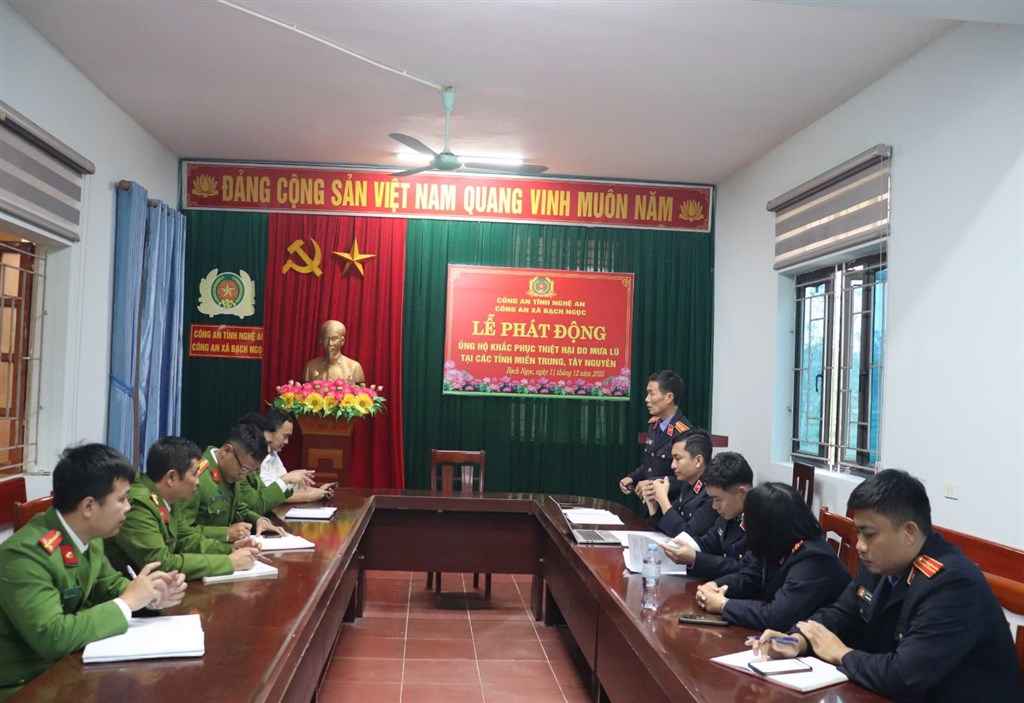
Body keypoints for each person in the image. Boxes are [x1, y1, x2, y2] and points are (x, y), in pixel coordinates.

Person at [752, 470, 1024, 702]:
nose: (860, 546)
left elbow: (904, 676)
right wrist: (798, 640)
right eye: (858, 533)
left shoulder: (952, 584)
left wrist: (842, 654)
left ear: (909, 533)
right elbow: (841, 614)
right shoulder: (882, 564)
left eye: (869, 534)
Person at [0, 444, 186, 699]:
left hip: (68, 668)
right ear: (88, 506)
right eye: (122, 499)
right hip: (25, 686)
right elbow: (53, 637)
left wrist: (152, 595)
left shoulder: (89, 537)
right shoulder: (24, 555)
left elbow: (109, 587)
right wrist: (127, 603)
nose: (128, 507)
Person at [695, 482, 850, 631]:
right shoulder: (778, 543)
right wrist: (715, 586)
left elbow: (777, 617)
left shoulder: (813, 558)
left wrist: (723, 605)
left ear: (766, 526)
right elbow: (750, 577)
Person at [105, 436, 262, 581]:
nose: (198, 482)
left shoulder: (167, 498)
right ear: (171, 477)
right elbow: (162, 564)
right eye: (194, 474)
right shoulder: (139, 504)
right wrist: (228, 563)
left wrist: (229, 549)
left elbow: (186, 539)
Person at [176, 423, 288, 541]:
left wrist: (259, 521)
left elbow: (239, 509)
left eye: (250, 472)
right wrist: (226, 533)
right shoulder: (197, 479)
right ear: (226, 452)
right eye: (243, 469)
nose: (243, 476)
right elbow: (180, 532)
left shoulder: (231, 473)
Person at [662, 450, 752, 579]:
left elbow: (744, 568)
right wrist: (679, 546)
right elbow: (708, 543)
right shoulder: (729, 515)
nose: (714, 506)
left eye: (718, 499)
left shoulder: (759, 521)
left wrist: (695, 558)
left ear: (741, 493)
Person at [617, 370, 692, 500]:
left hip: (670, 505)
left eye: (651, 394)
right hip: (649, 504)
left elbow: (686, 480)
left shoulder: (684, 433)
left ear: (669, 397)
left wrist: (653, 483)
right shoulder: (654, 425)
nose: (647, 399)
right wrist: (632, 477)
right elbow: (650, 465)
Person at [239, 410, 333, 506]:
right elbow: (268, 496)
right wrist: (309, 496)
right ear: (272, 432)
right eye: (285, 436)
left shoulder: (273, 454)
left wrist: (318, 491)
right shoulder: (254, 458)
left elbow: (284, 489)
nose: (286, 442)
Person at [642, 428, 717, 538]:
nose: (672, 465)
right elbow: (668, 527)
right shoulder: (687, 484)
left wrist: (663, 500)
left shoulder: (712, 493)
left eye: (677, 459)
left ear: (698, 461)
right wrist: (653, 505)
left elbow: (687, 536)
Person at [301, 319, 365, 384]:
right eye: (326, 339)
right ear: (321, 341)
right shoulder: (310, 367)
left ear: (342, 341)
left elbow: (359, 388)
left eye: (334, 339)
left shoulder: (354, 367)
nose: (330, 343)